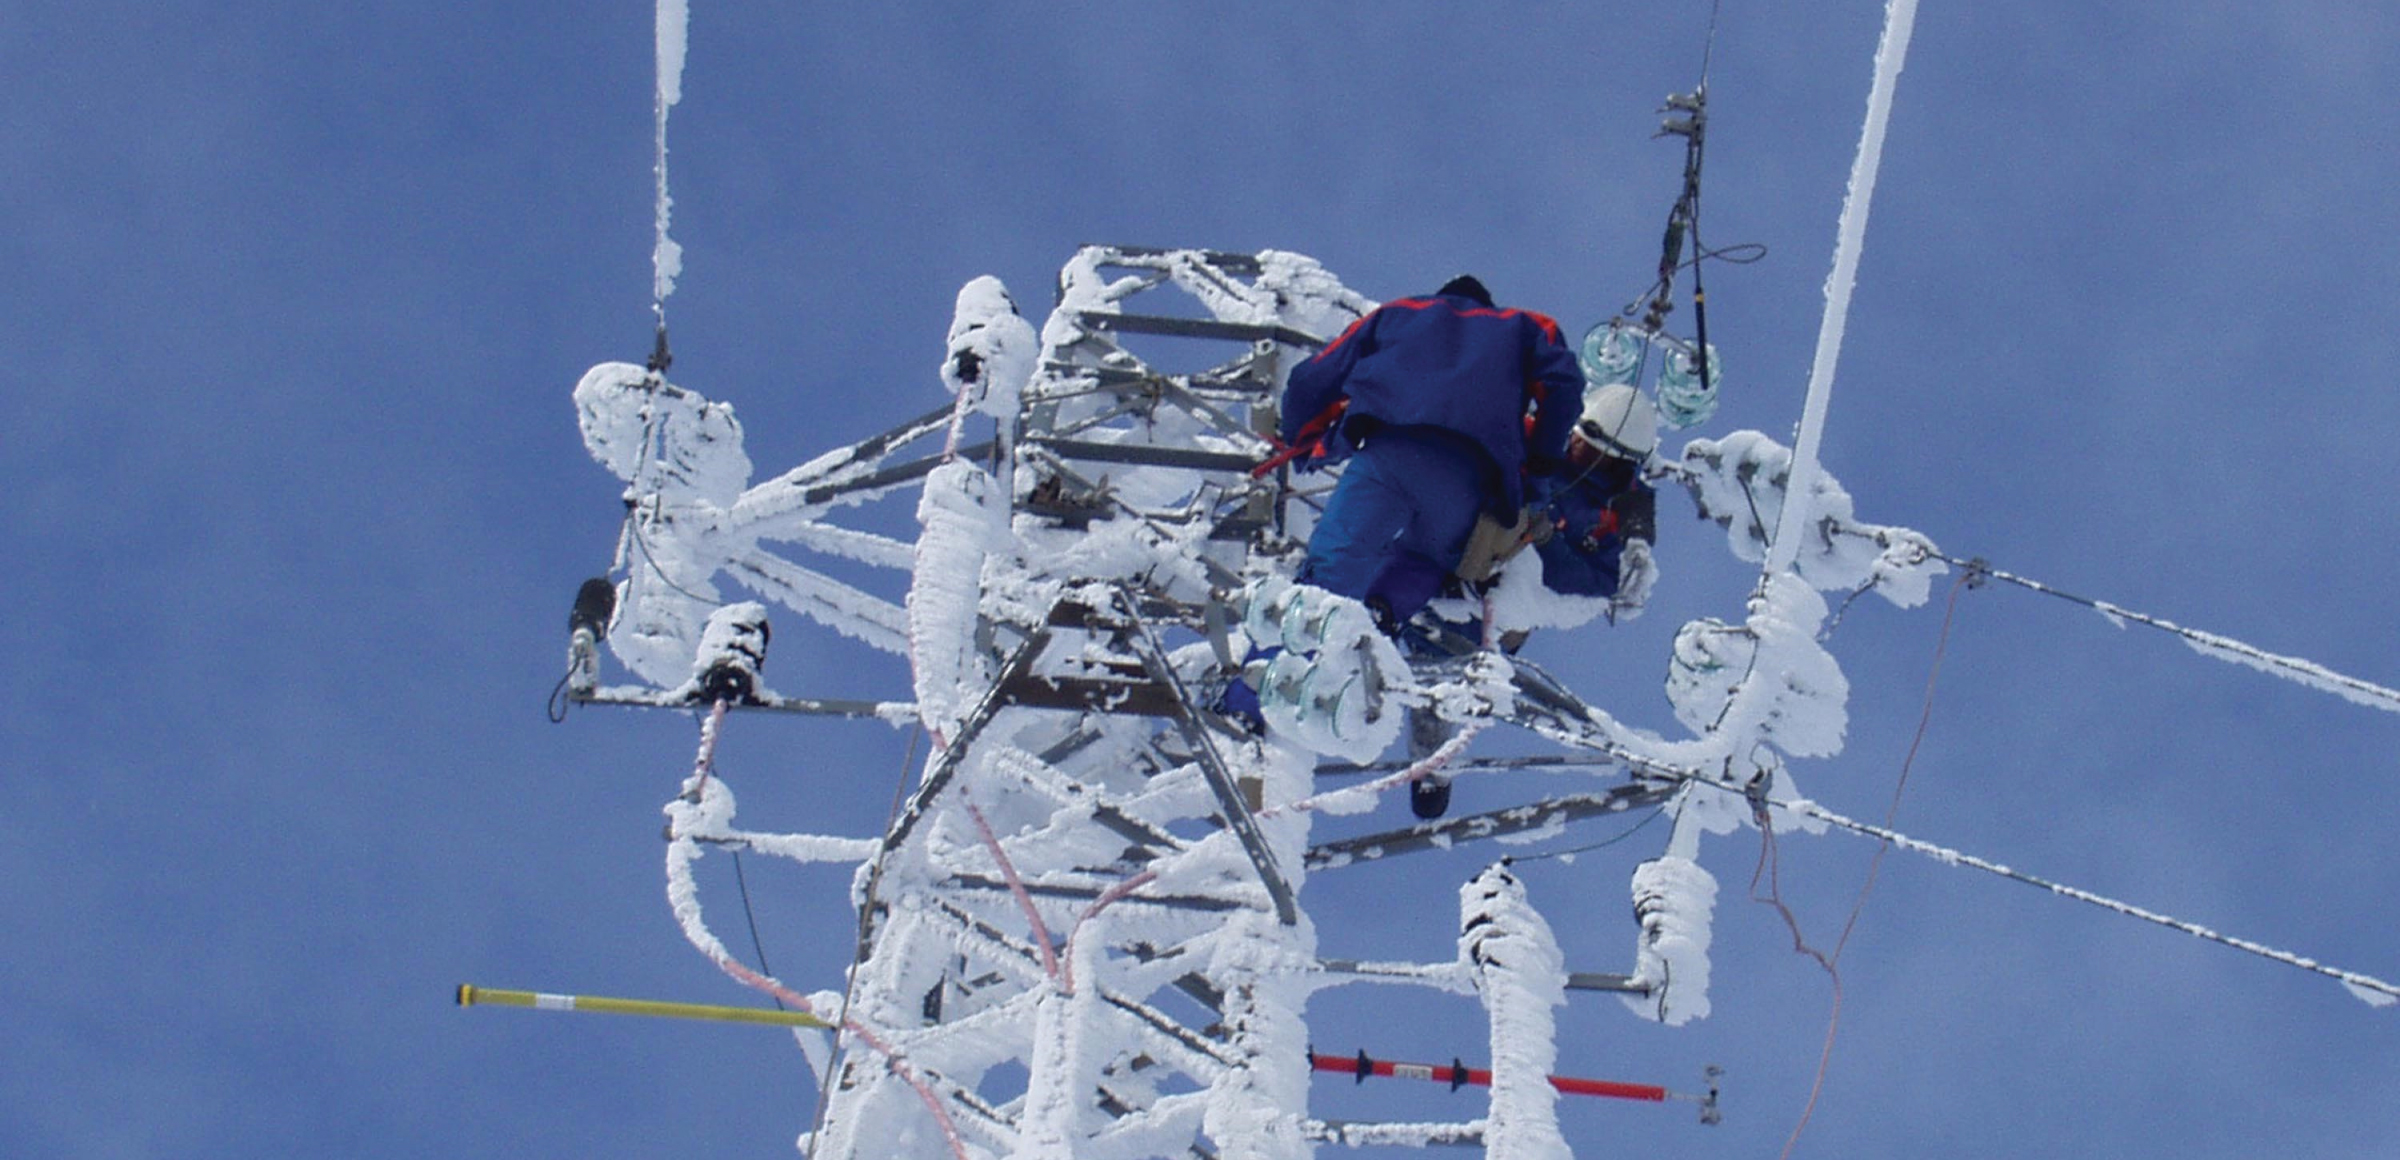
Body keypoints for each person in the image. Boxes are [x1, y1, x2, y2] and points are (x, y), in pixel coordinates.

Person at [1278, 275, 1584, 628]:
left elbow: (1310, 381)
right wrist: (1540, 466)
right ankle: (1379, 618)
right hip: (1468, 482)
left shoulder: (1398, 314)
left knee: (1335, 566)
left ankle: (1296, 649)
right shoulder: (1526, 327)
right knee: (1424, 560)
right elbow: (1565, 386)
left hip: (1389, 457)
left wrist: (1302, 442)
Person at [1532, 383, 1659, 611]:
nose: (1576, 448)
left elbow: (1603, 581)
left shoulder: (1619, 516)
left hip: (1508, 588)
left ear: (1618, 465)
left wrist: (1546, 542)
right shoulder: (1547, 439)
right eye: (1577, 439)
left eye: (1590, 451)